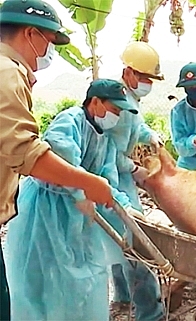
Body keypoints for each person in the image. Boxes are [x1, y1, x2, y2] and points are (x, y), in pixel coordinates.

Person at [0, 1, 114, 320]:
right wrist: (87, 183)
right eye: (50, 41)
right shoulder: (7, 73)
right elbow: (26, 152)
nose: (50, 51)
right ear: (31, 34)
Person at [5, 78, 144, 321]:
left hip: (79, 217)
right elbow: (63, 153)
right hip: (45, 209)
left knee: (83, 279)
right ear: (96, 102)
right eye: (114, 109)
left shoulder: (105, 140)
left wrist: (126, 208)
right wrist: (80, 192)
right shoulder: (70, 120)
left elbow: (106, 180)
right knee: (39, 276)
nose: (117, 116)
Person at [109, 41, 165, 321]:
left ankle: (122, 295)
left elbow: (135, 128)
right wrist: (134, 170)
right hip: (113, 176)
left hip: (120, 176)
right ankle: (149, 312)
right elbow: (108, 152)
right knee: (136, 241)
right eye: (143, 78)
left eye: (150, 79)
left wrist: (150, 135)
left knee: (117, 238)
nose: (147, 83)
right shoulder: (117, 101)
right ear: (128, 72)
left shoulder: (130, 98)